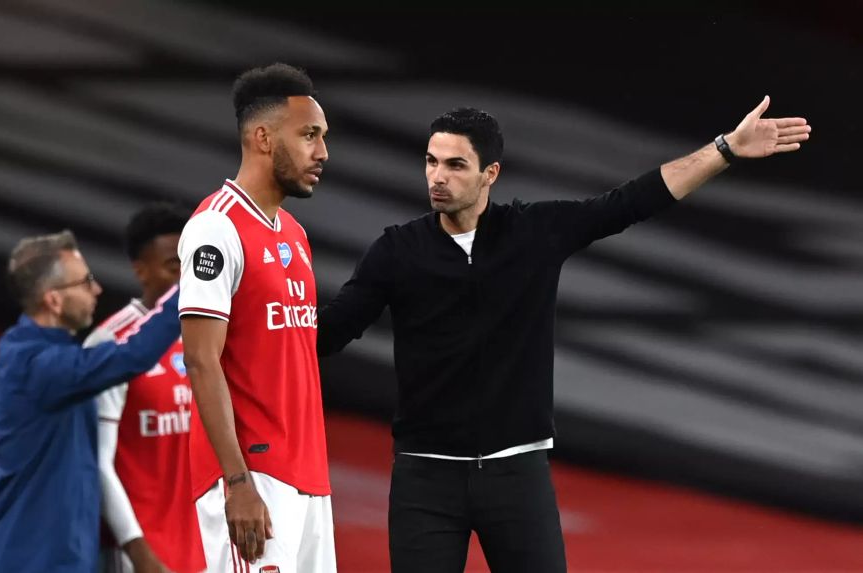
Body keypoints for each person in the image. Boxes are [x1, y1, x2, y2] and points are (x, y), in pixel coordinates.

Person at [317, 97, 811, 572]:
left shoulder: (534, 232)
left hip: (517, 477)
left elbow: (631, 202)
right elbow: (331, 331)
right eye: (431, 161)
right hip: (425, 479)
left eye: (455, 165)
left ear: (490, 174)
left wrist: (724, 149)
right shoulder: (397, 250)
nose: (437, 177)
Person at [178, 63, 334, 572]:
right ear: (263, 137)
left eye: (323, 137)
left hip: (310, 479)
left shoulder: (293, 233)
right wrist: (238, 482)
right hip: (255, 480)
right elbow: (202, 361)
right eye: (308, 135)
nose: (322, 152)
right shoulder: (215, 228)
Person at [0, 230, 181, 573]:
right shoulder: (35, 365)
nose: (97, 289)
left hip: (56, 556)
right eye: (85, 281)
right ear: (54, 301)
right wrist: (194, 286)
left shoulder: (45, 354)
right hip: (35, 561)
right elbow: (131, 356)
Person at [84, 203, 205, 573]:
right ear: (140, 270)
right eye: (173, 265)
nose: (187, 277)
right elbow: (97, 462)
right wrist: (139, 552)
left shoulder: (211, 337)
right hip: (142, 556)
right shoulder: (107, 344)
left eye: (190, 262)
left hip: (209, 549)